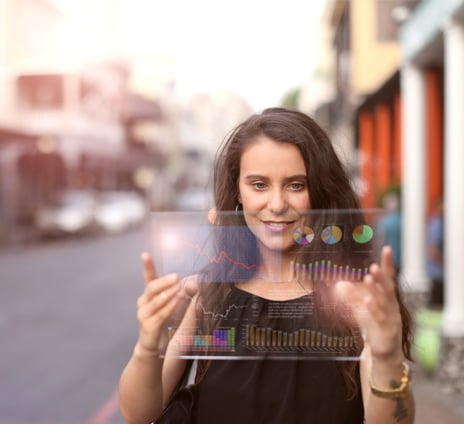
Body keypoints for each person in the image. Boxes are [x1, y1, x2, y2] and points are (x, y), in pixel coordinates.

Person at [119, 108, 415, 424]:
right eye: (259, 185)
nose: (276, 204)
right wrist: (149, 347)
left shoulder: (357, 298)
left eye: (296, 185)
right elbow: (138, 415)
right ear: (238, 192)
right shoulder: (208, 297)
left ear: (322, 191)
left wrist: (386, 358)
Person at [378, 190, 402, 276]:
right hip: (402, 257)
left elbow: (381, 241)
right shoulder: (403, 219)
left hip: (388, 257)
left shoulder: (383, 222)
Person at [426, 197, 444, 308]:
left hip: (439, 271)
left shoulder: (438, 222)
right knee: (437, 302)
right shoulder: (437, 224)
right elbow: (433, 250)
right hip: (438, 272)